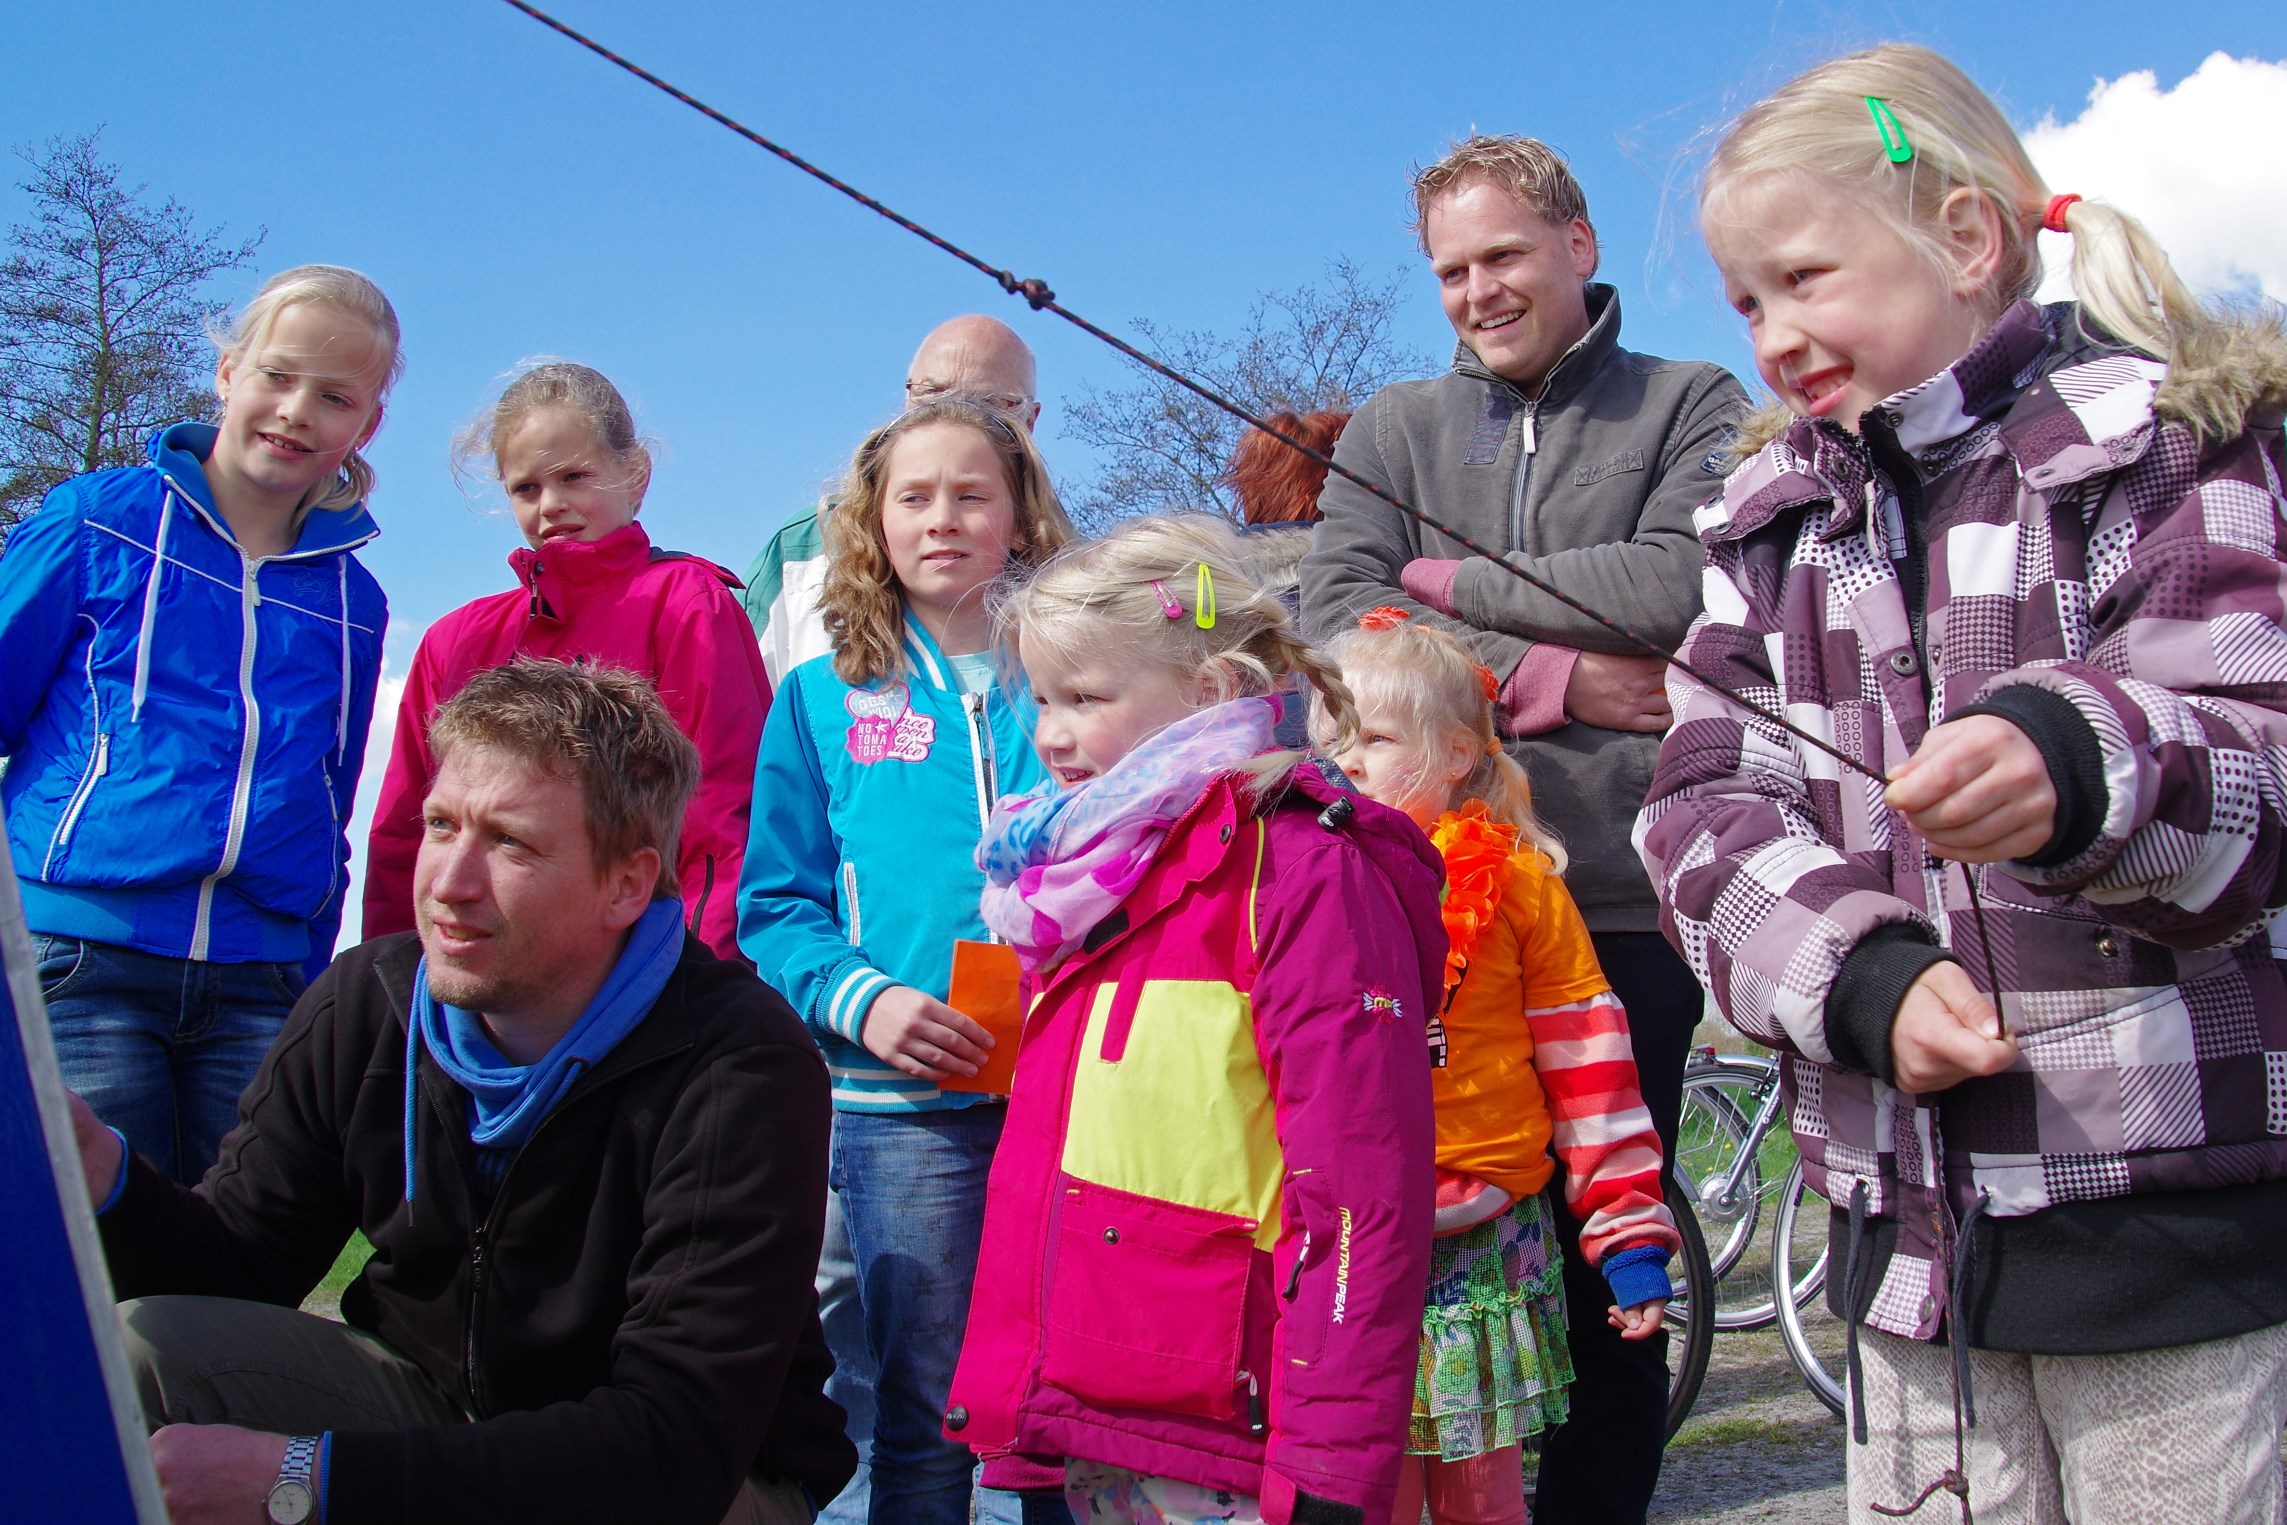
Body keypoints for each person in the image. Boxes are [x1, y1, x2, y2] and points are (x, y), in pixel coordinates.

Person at [1637, 43, 2287, 1523]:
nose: (1771, 331)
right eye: (1745, 302)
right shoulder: (1769, 529)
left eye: (1804, 277)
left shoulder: (2169, 446)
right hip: (1901, 1253)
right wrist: (1853, 972)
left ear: (1966, 238)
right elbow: (1695, 812)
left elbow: (2253, 742)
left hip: (2169, 1242)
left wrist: (2074, 762)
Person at [69, 657, 853, 1525]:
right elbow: (239, 1266)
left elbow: (673, 1444)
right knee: (141, 1349)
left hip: (693, 1481)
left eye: (509, 841)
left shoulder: (737, 1062)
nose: (448, 883)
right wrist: (95, 1170)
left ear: (627, 884)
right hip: (437, 1409)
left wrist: (304, 1480)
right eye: (442, 825)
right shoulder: (366, 1003)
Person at [1299, 137, 1748, 1522]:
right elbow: (1331, 621)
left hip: (1615, 898)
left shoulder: (1690, 402)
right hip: (1407, 911)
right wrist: (1554, 676)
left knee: (1607, 1242)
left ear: (1577, 245)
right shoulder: (1390, 430)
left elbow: (1680, 579)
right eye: (1450, 269)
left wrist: (1440, 583)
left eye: (1500, 256)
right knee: (1409, 1261)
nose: (1476, 290)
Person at [949, 515, 1444, 1525]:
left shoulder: (1298, 871)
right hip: (1101, 1404)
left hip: (1231, 1424)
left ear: (1211, 691)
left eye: (1084, 698)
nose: (1049, 732)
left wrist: (1331, 1470)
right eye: (1040, 698)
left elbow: (1359, 1189)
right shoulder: (1087, 884)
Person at [739, 396, 1075, 1525]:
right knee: (925, 1410)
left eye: (972, 493)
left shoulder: (1083, 680)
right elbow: (774, 906)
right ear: (871, 526)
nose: (944, 519)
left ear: (1020, 517)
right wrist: (864, 1004)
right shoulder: (822, 695)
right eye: (913, 498)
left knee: (1070, 1402)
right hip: (901, 1110)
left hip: (1079, 1100)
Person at [0, 264, 398, 1185]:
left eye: (335, 396)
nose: (298, 410)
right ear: (228, 373)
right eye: (278, 375)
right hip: (80, 965)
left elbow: (326, 801)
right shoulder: (99, 523)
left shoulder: (353, 600)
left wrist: (305, 977)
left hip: (256, 988)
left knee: (235, 1271)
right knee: (104, 1273)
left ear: (365, 424)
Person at [1319, 611, 1678, 1525]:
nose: (1343, 761)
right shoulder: (1304, 878)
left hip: (1482, 1239)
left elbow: (1591, 1071)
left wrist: (1629, 1239)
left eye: (1373, 739)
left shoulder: (1519, 884)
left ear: (1452, 755)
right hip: (1348, 1236)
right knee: (1369, 1494)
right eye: (1326, 740)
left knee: (1482, 1501)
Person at [362, 362, 769, 961]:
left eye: (575, 477)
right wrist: (392, 985)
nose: (551, 504)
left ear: (635, 475)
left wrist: (705, 981)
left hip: (638, 975)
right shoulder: (453, 641)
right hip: (482, 977)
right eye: (527, 488)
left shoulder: (687, 604)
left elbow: (724, 810)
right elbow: (406, 833)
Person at [742, 315, 1042, 684]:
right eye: (933, 395)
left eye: (988, 403)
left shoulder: (1075, 581)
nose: (955, 417)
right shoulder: (800, 551)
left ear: (1029, 420)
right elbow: (744, 711)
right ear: (907, 397)